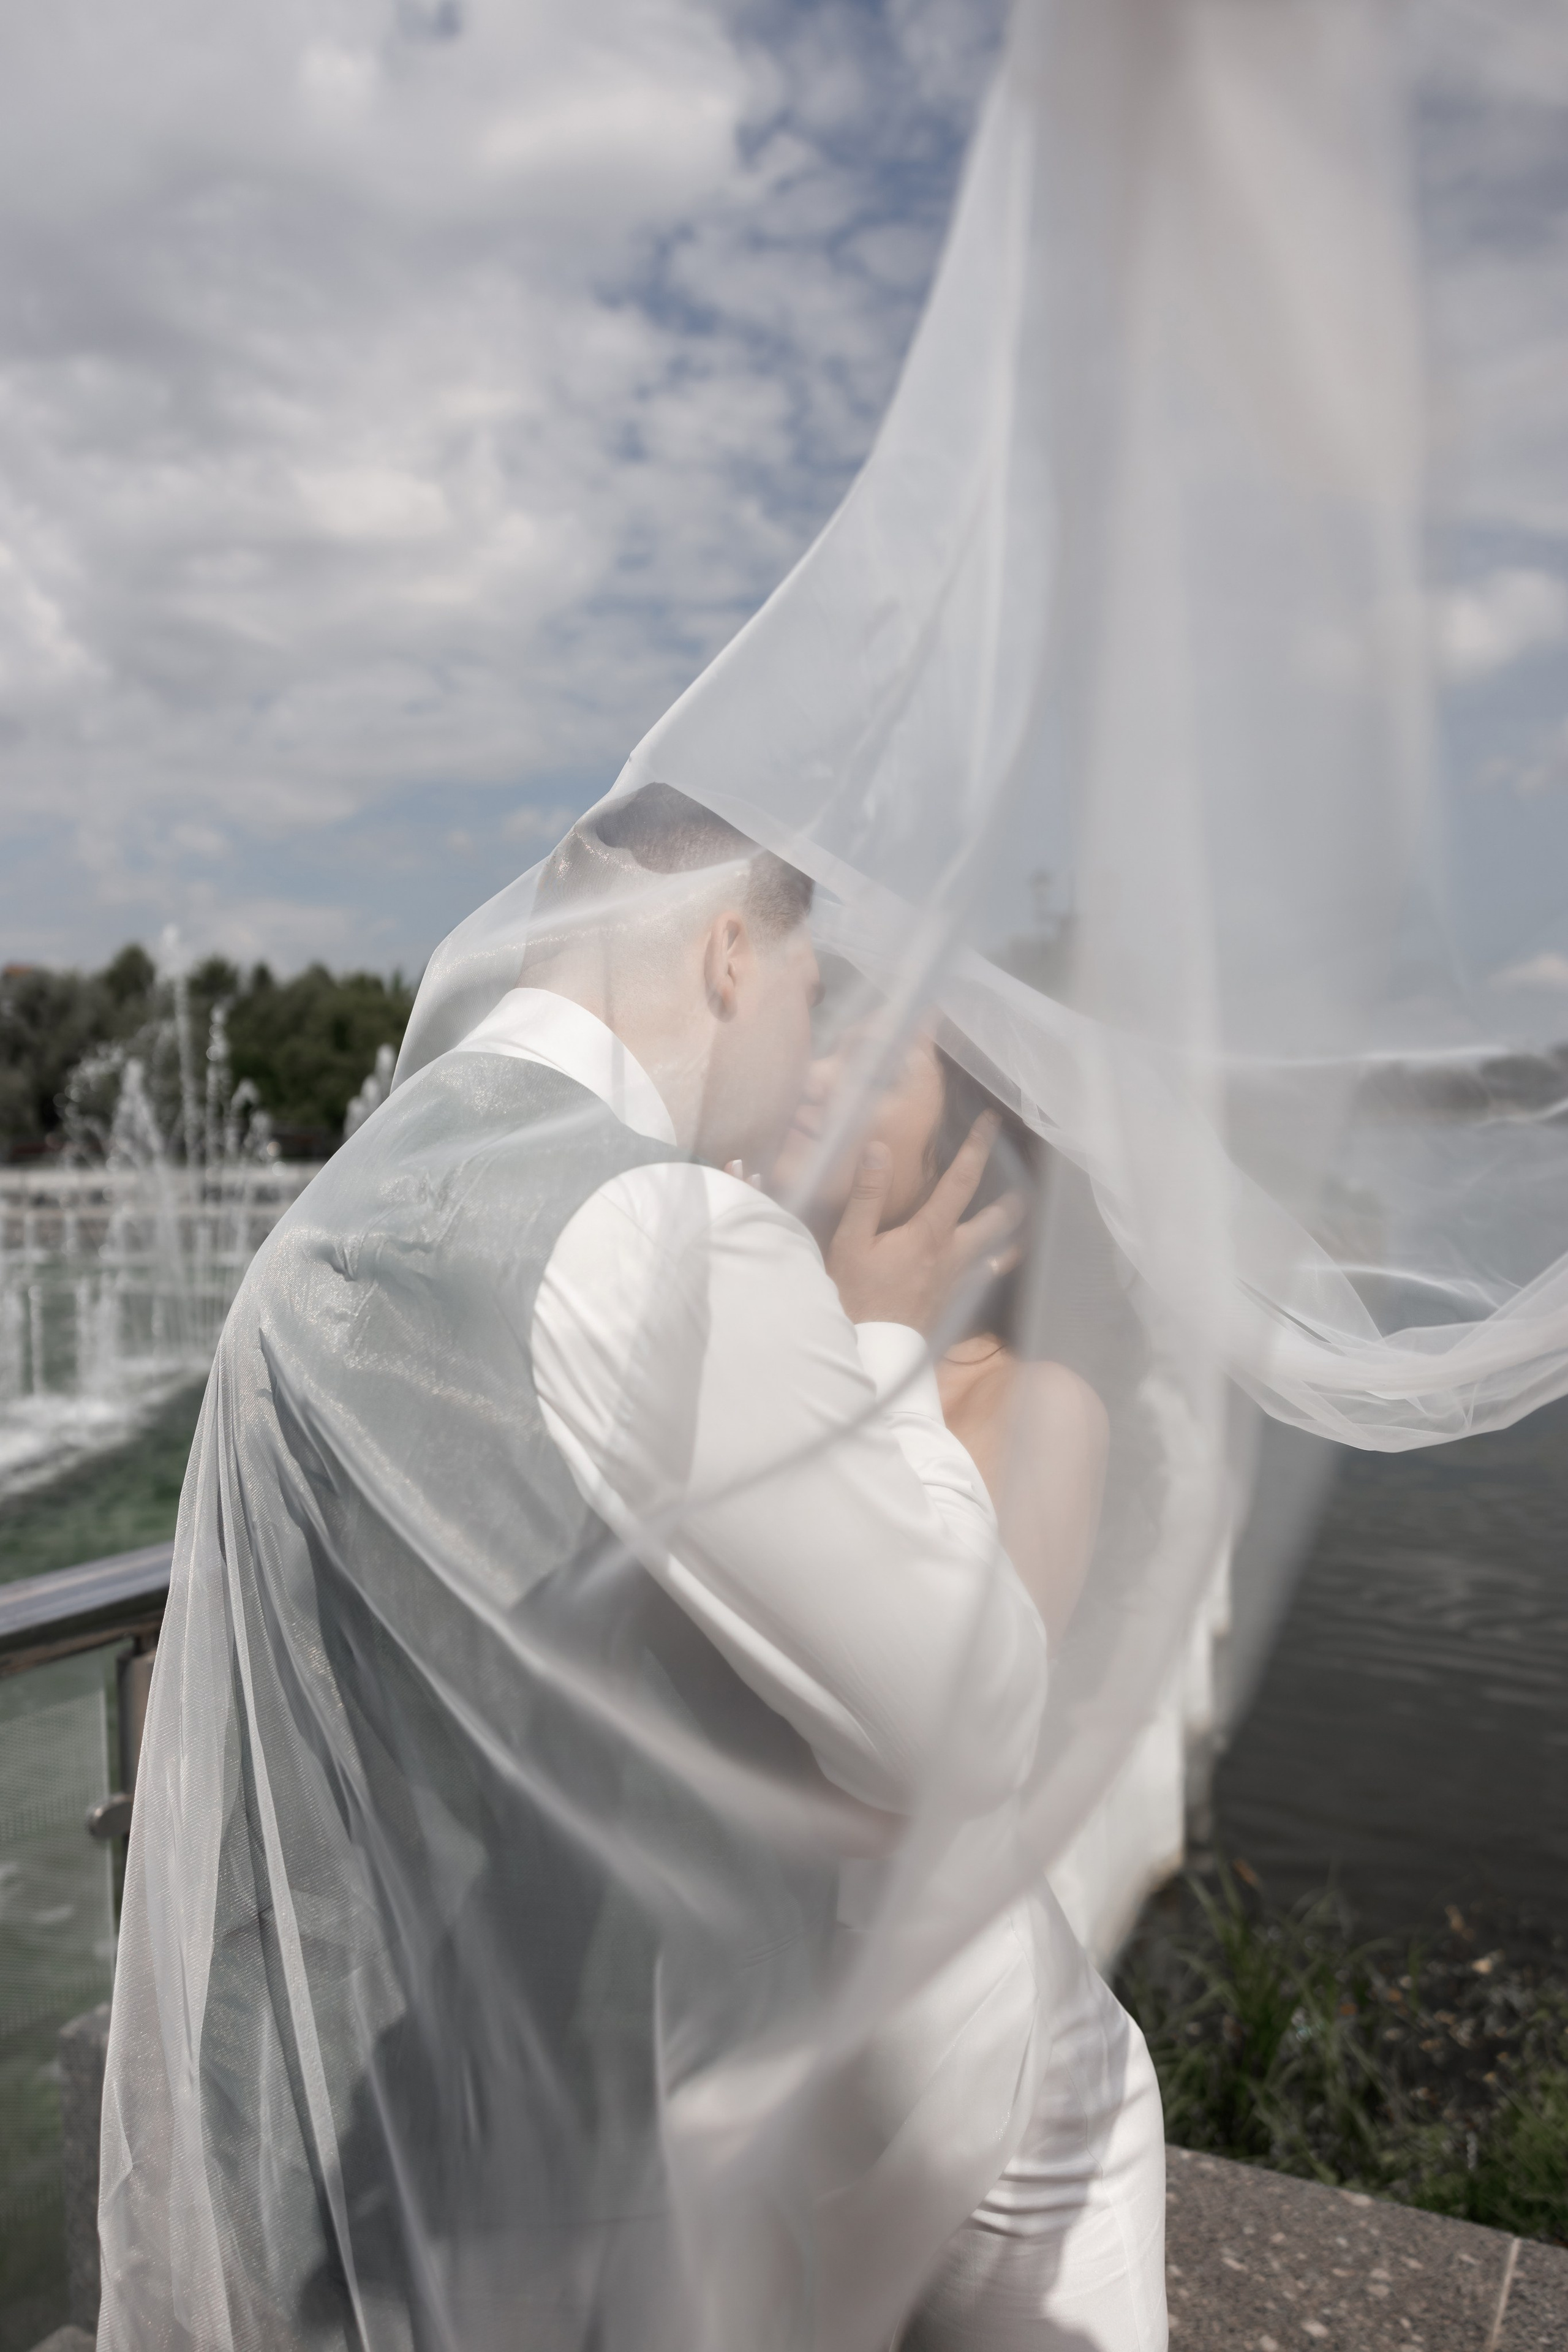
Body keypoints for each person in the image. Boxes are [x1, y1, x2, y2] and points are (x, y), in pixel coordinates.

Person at [99, 784, 1068, 2352]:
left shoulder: (332, 1213)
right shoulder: (653, 1231)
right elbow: (973, 1715)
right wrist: (881, 1331)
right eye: (814, 988)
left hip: (318, 2142)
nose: (809, 1052)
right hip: (565, 2204)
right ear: (732, 957)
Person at [773, 996, 1168, 2351]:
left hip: (1009, 2111)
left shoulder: (1034, 1405)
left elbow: (947, 1744)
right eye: (822, 1031)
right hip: (784, 2068)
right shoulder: (747, 1352)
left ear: (973, 1160)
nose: (817, 1067)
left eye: (877, 1063)